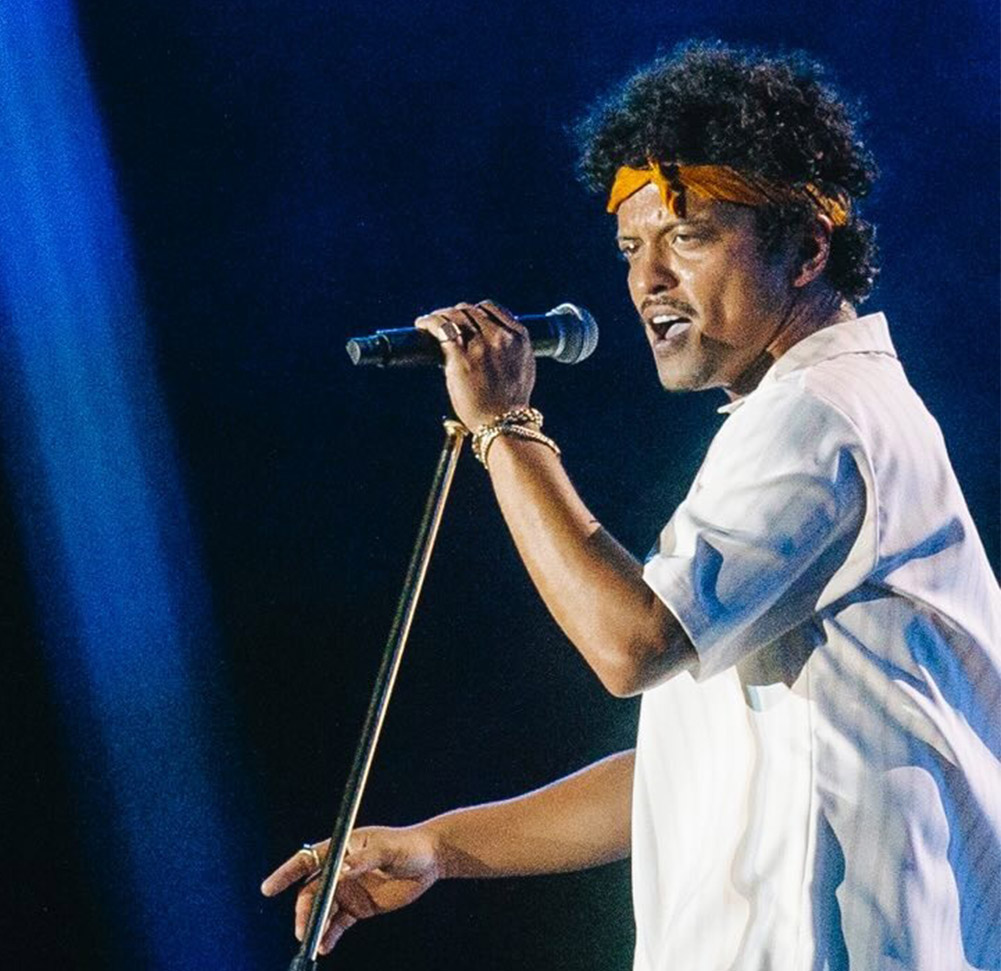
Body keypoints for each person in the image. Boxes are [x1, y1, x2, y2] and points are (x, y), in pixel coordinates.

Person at [262, 43, 1001, 970]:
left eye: (685, 238)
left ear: (808, 248)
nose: (646, 280)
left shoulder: (822, 413)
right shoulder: (811, 416)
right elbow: (687, 767)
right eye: (629, 248)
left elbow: (629, 644)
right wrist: (440, 845)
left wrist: (504, 428)